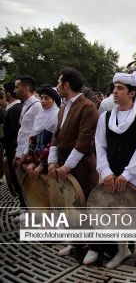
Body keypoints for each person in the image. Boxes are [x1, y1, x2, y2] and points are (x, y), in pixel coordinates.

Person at [93, 71, 136, 270]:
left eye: (120, 88)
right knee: (117, 212)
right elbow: (99, 146)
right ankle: (121, 250)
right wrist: (106, 172)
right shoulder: (105, 117)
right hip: (111, 175)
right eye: (114, 88)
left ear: (132, 93)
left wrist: (127, 174)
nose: (115, 92)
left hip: (135, 176)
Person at [47, 67, 99, 259]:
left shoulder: (88, 107)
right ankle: (75, 242)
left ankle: (93, 247)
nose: (57, 86)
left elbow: (84, 140)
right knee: (69, 206)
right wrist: (52, 162)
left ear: (66, 85)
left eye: (59, 83)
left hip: (83, 166)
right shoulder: (63, 108)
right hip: (63, 165)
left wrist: (67, 166)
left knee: (86, 205)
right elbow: (55, 136)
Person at [12, 75, 43, 221]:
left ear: (25, 87)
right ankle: (24, 206)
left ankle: (30, 210)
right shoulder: (25, 104)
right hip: (21, 149)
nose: (15, 90)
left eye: (17, 87)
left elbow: (35, 132)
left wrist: (24, 155)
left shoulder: (36, 105)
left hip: (28, 153)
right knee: (21, 181)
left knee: (30, 183)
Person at [24, 85, 60, 178]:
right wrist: (31, 161)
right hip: (36, 159)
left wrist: (42, 164)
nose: (43, 101)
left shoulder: (57, 116)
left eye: (46, 98)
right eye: (41, 98)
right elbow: (32, 140)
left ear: (54, 100)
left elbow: (54, 142)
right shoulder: (40, 115)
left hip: (49, 162)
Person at [1, 82, 23, 211]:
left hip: (14, 151)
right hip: (12, 150)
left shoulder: (15, 110)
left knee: (18, 180)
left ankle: (25, 208)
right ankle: (22, 206)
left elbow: (15, 133)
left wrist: (3, 139)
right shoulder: (13, 109)